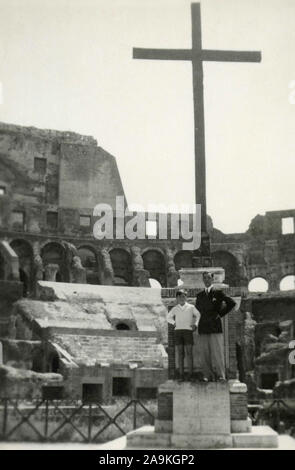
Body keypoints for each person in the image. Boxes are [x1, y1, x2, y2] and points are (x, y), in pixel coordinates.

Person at [195, 272, 236, 382]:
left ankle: (221, 375)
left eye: (209, 278)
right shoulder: (199, 296)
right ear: (203, 280)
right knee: (205, 353)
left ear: (212, 279)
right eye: (205, 278)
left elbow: (231, 303)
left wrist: (220, 314)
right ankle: (207, 375)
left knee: (217, 352)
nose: (207, 280)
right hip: (203, 326)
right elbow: (197, 311)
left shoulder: (218, 293)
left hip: (215, 326)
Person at [167, 289, 200, 382]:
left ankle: (190, 374)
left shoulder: (191, 307)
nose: (182, 298)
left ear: (186, 297)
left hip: (188, 331)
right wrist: (174, 323)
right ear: (177, 298)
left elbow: (198, 315)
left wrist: (195, 324)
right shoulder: (175, 308)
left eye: (184, 296)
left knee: (189, 353)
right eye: (180, 296)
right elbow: (168, 317)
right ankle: (181, 375)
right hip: (178, 332)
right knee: (180, 354)